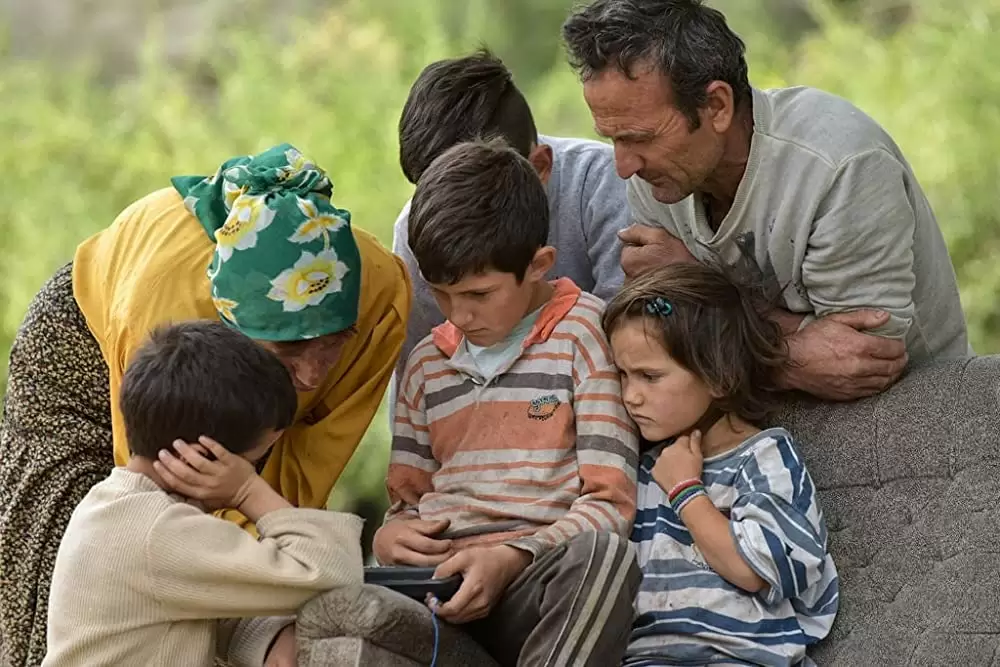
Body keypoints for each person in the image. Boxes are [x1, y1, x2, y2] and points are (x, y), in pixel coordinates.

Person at [0, 143, 408, 666]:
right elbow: (187, 511)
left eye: (332, 343)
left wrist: (269, 627)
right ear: (232, 329)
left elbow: (304, 473)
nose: (310, 376)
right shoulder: (166, 310)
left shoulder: (377, 292)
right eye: (289, 352)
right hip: (90, 350)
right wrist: (244, 491)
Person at [561, 0, 972, 402]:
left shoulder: (837, 166)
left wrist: (699, 286)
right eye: (613, 139)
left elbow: (858, 366)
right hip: (757, 419)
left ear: (717, 106)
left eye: (640, 138)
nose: (624, 166)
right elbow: (659, 343)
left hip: (911, 416)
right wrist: (790, 354)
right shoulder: (659, 178)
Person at [374, 138, 641, 667]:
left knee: (606, 558)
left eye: (478, 294)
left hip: (535, 579)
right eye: (442, 294)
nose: (459, 314)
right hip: (441, 584)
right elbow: (406, 502)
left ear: (539, 264)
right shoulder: (427, 363)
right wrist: (391, 537)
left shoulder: (585, 333)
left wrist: (509, 557)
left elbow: (611, 504)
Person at [44, 321, 364, 667]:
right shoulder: (159, 530)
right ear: (199, 457)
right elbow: (330, 571)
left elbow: (204, 607)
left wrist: (268, 640)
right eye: (250, 463)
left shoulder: (114, 505)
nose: (251, 475)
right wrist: (246, 490)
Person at [602, 263, 839, 666]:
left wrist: (686, 492)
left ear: (719, 377)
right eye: (623, 375)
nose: (631, 396)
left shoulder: (763, 458)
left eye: (649, 376)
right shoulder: (638, 467)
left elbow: (755, 570)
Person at [391, 48, 630, 384]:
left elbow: (635, 345)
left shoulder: (604, 184)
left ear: (540, 167)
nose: (446, 212)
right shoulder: (415, 229)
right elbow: (421, 379)